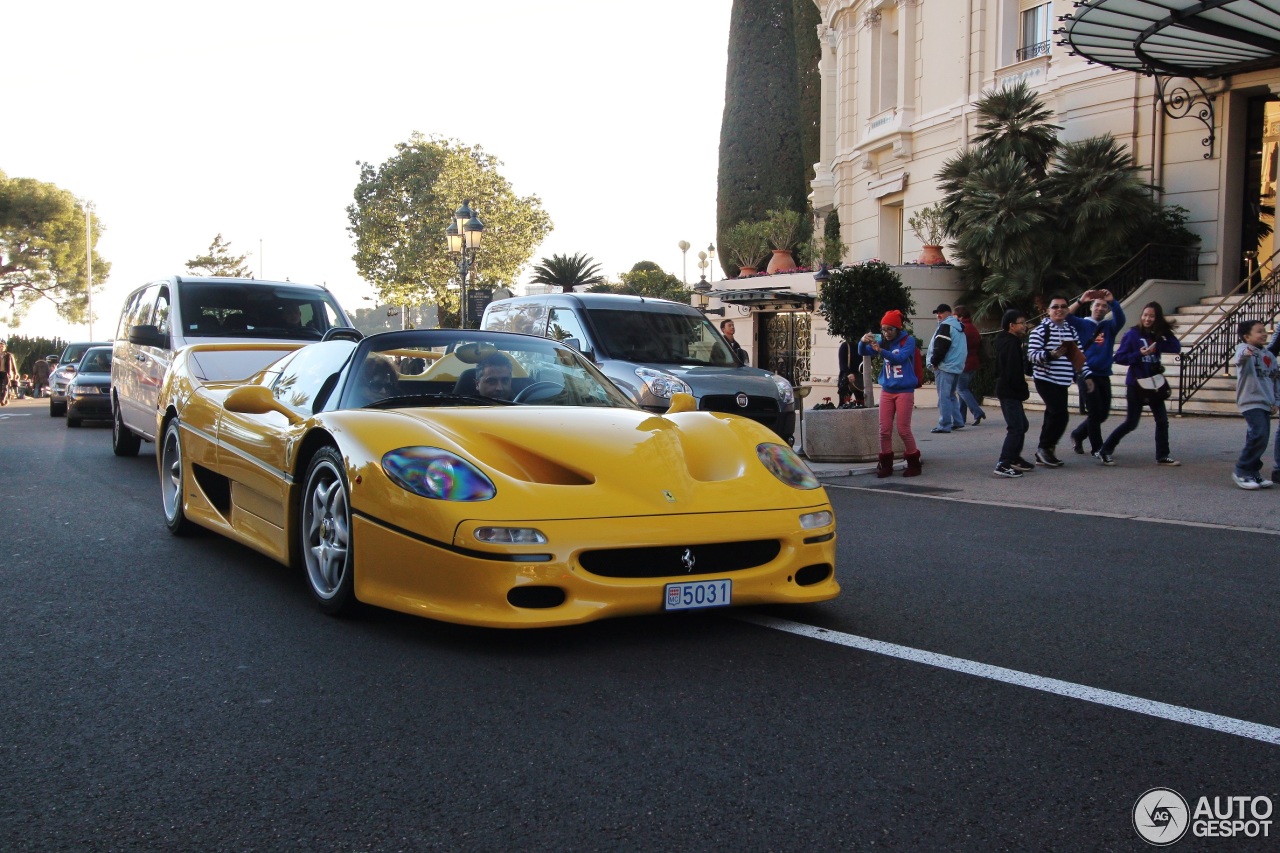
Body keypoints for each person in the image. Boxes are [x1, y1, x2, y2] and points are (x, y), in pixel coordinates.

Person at [1096, 302, 1182, 466]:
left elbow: (1176, 347)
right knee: (1131, 422)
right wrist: (1138, 354)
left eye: (1151, 316)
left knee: (1162, 421)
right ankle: (1105, 450)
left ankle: (1163, 455)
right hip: (1136, 384)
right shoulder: (1133, 334)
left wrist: (1163, 334)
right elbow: (1119, 357)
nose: (1147, 319)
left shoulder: (1157, 335)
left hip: (1154, 384)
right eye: (1145, 315)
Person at [859, 310, 922, 477]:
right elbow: (863, 352)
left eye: (889, 330)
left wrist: (880, 350)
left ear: (897, 329)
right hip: (887, 390)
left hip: (904, 391)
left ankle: (914, 463)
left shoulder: (908, 341)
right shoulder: (882, 342)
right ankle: (886, 465)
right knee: (884, 430)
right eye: (883, 329)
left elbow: (900, 358)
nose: (886, 333)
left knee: (903, 429)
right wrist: (862, 341)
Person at [1027, 295, 1088, 467]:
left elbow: (1079, 355)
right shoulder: (1040, 331)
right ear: (1048, 310)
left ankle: (1045, 449)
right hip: (1045, 378)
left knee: (1053, 415)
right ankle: (1045, 448)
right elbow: (1032, 355)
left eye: (1063, 306)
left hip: (1062, 380)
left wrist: (1085, 374)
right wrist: (1050, 355)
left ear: (1068, 310)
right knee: (1059, 414)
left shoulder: (1071, 331)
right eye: (1055, 307)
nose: (1059, 309)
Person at [1067, 289, 1126, 456]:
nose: (1100, 308)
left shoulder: (1109, 326)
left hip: (1103, 373)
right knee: (1094, 412)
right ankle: (1097, 447)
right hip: (1086, 373)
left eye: (1104, 306)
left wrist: (1113, 302)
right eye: (1097, 305)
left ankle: (1078, 434)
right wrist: (1081, 300)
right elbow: (1065, 316)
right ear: (1092, 306)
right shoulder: (1081, 323)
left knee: (1103, 413)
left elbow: (1121, 319)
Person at [1230, 320, 1278, 490]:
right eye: (1259, 331)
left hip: (1266, 402)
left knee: (1261, 438)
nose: (1264, 334)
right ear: (1246, 336)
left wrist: (1276, 401)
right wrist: (1246, 355)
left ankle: (1253, 472)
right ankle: (1241, 470)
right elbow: (1240, 361)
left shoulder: (1270, 356)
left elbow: (1275, 379)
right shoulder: (1243, 350)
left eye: (1264, 331)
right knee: (1258, 435)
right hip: (1250, 401)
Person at [993, 310, 1035, 477]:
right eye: (1022, 323)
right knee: (1016, 427)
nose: (1025, 326)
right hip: (1009, 391)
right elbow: (1012, 371)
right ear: (1012, 326)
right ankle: (1003, 463)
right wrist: (1022, 389)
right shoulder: (1010, 344)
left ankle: (1014, 458)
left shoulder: (1010, 341)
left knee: (1022, 425)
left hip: (1009, 390)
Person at [927, 304, 968, 433]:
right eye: (937, 313)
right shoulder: (958, 327)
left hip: (945, 367)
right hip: (956, 367)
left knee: (944, 397)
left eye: (941, 312)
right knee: (951, 395)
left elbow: (940, 347)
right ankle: (958, 421)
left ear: (949, 313)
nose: (938, 315)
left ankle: (944, 424)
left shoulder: (945, 326)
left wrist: (934, 362)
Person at [953, 305, 986, 426]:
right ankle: (962, 418)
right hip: (973, 363)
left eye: (954, 315)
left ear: (960, 317)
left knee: (961, 389)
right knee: (964, 389)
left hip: (963, 363)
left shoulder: (961, 329)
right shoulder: (973, 328)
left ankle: (977, 412)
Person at [836, 338, 866, 407]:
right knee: (844, 404)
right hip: (846, 379)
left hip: (859, 379)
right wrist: (849, 373)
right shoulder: (845, 346)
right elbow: (842, 363)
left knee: (861, 403)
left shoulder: (862, 346)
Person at [0, 340, 17, 405]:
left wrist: (15, 373)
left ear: (5, 347)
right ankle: (2, 399)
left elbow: (13, 365)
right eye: (0, 346)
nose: (1, 348)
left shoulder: (9, 355)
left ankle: (3, 399)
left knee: (5, 386)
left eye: (2, 346)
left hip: (6, 373)